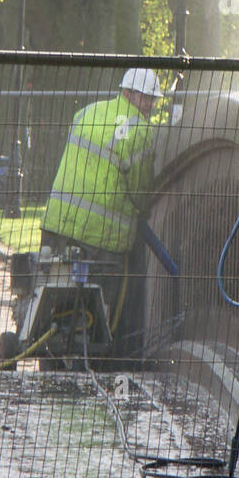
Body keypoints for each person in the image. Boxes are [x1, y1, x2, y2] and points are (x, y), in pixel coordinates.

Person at [40, 67, 163, 334]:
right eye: (146, 99)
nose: (150, 106)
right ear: (128, 93)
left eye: (153, 100)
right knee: (102, 314)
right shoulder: (140, 131)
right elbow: (141, 192)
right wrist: (142, 211)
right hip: (101, 240)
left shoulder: (88, 112)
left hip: (56, 226)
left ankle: (52, 357)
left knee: (52, 298)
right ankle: (99, 366)